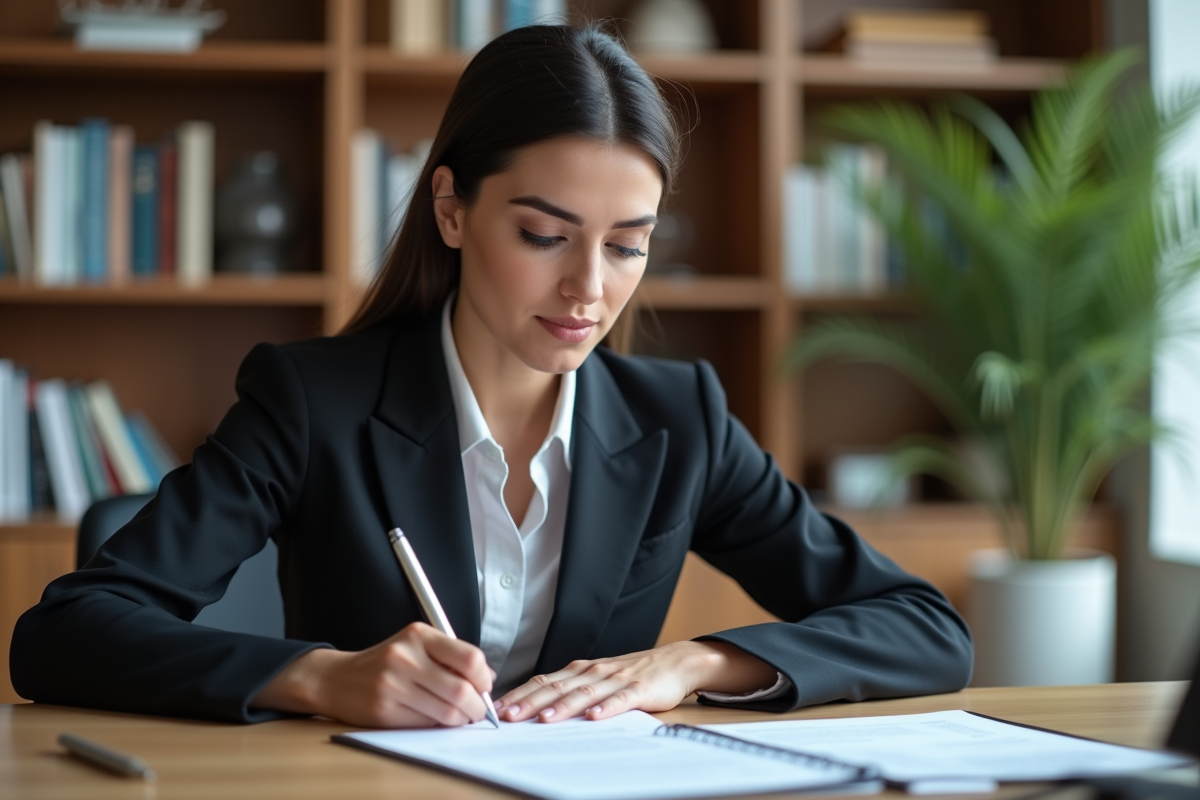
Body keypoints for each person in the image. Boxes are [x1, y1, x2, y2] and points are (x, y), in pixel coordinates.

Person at [11, 25, 972, 727]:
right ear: (453, 208)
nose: (589, 289)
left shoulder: (682, 422)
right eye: (545, 235)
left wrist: (694, 662)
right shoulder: (315, 404)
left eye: (628, 247)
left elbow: (926, 627)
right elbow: (66, 633)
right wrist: (316, 677)